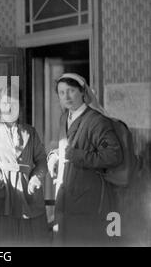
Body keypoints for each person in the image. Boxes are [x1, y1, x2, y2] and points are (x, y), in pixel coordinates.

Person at [0, 85, 50, 246]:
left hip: (28, 189)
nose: (10, 106)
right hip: (3, 188)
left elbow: (42, 160)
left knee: (32, 238)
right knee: (3, 239)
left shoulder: (30, 132)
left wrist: (36, 178)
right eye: (5, 102)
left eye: (14, 102)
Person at [47, 73, 121, 246]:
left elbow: (113, 156)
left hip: (89, 195)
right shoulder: (64, 118)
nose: (66, 96)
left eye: (71, 91)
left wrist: (77, 155)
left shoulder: (97, 121)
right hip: (66, 192)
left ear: (82, 92)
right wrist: (54, 156)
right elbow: (64, 146)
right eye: (61, 92)